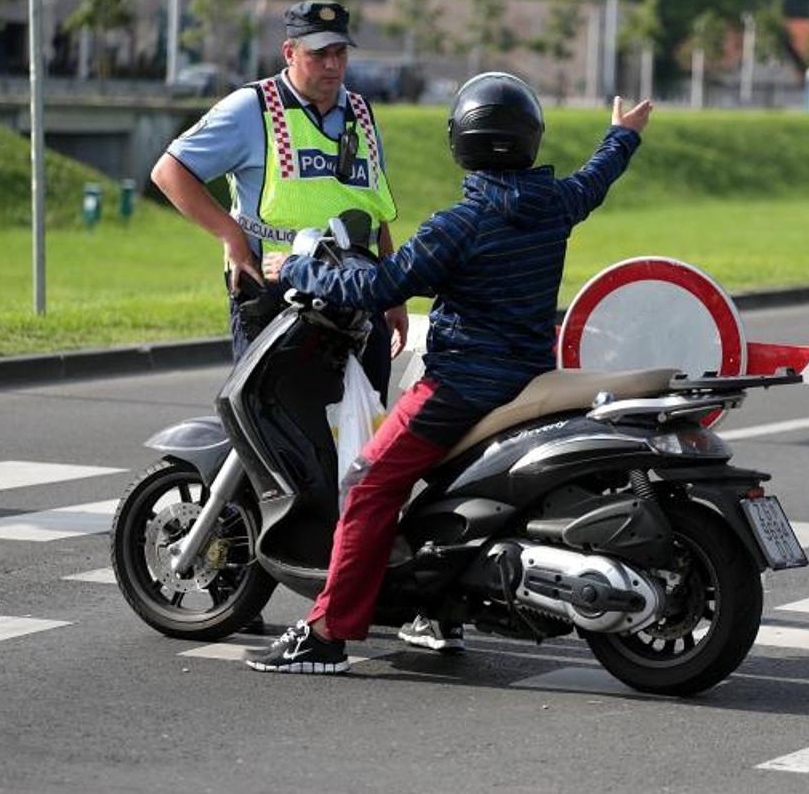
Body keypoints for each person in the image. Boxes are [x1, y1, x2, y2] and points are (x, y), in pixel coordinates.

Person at [244, 73, 653, 674]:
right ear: (530, 138)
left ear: (460, 141)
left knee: (367, 481)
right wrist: (621, 136)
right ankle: (437, 611)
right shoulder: (554, 204)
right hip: (526, 377)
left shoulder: (459, 225)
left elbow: (383, 285)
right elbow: (594, 183)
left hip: (462, 385)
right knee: (445, 487)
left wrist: (297, 270)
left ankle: (327, 632)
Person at [150, 0, 407, 402]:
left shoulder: (360, 111)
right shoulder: (252, 108)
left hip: (356, 291)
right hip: (277, 295)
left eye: (339, 53)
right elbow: (170, 172)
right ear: (289, 52)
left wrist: (392, 295)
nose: (332, 66)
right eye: (318, 54)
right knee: (275, 430)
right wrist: (230, 236)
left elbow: (375, 207)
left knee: (365, 434)